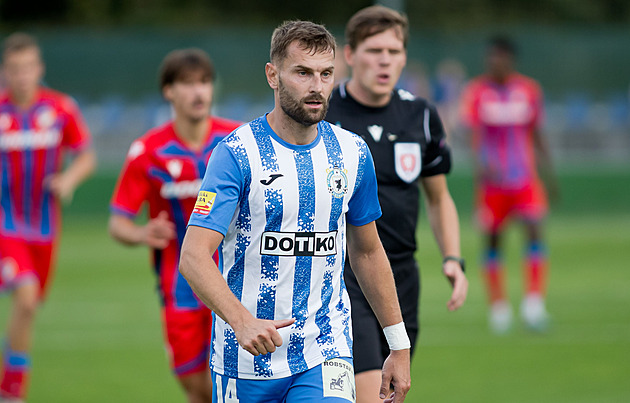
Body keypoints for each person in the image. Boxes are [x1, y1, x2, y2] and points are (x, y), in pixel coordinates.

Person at [180, 20, 411, 403]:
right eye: (303, 72)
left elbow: (368, 252)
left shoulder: (352, 154)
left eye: (325, 74)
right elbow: (193, 255)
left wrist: (398, 345)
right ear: (273, 75)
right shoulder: (236, 154)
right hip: (245, 359)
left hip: (325, 350)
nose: (317, 86)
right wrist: (241, 321)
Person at [325, 6, 468, 402]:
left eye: (394, 51)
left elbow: (439, 199)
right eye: (374, 50)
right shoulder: (324, 115)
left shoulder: (421, 115)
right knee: (368, 393)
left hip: (402, 276)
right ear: (350, 55)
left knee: (391, 393)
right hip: (344, 275)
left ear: (404, 56)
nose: (385, 60)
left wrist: (453, 258)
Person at [108, 48, 241, 402]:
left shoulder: (237, 142)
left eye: (205, 82)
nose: (199, 92)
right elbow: (118, 222)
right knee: (197, 389)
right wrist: (140, 233)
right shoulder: (149, 150)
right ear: (169, 91)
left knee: (235, 386)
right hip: (178, 287)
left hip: (236, 283)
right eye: (187, 83)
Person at [0, 32, 96, 401]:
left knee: (29, 306)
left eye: (28, 68)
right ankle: (13, 390)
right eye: (14, 69)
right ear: (6, 72)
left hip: (45, 229)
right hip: (6, 224)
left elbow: (85, 155)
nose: (22, 75)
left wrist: (68, 179)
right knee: (24, 299)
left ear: (39, 69)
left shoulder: (59, 109)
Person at [459, 35, 557, 333]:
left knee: (534, 232)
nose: (493, 62)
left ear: (510, 60)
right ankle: (499, 307)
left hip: (525, 179)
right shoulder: (476, 92)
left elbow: (537, 132)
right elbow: (468, 133)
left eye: (499, 57)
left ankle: (533, 304)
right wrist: (480, 164)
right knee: (493, 240)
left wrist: (549, 173)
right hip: (492, 184)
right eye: (490, 57)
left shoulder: (528, 90)